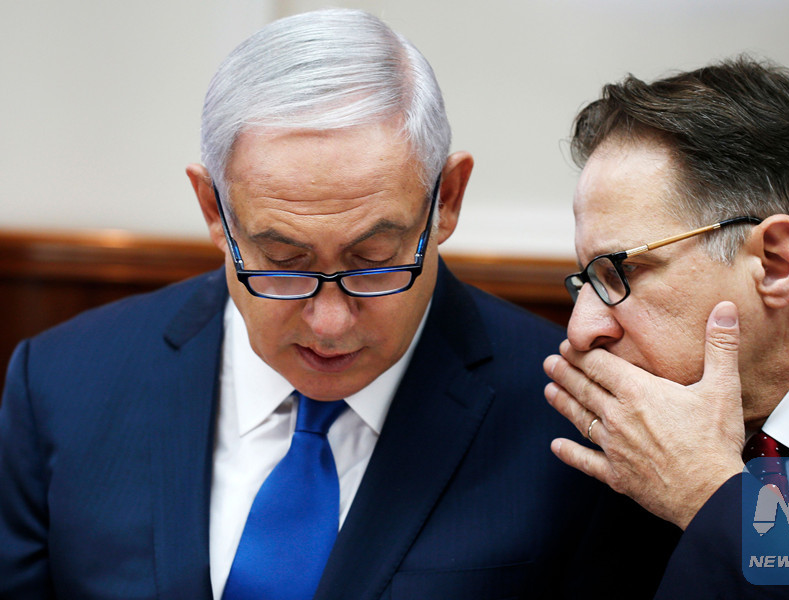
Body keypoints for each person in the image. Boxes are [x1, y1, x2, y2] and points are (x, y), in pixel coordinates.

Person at [0, 9, 677, 600]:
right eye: (283, 262)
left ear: (446, 200)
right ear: (213, 210)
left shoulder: (576, 417)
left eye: (374, 260)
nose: (328, 322)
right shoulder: (62, 386)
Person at [544, 56, 789, 598]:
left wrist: (710, 497)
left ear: (775, 264)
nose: (580, 329)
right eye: (586, 279)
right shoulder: (627, 432)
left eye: (624, 271)